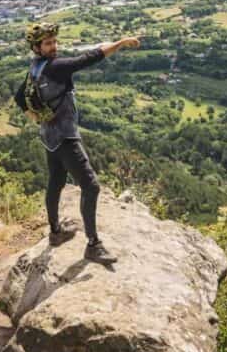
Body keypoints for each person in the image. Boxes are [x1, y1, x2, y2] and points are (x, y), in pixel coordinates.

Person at [24, 21, 140, 264]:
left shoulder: (35, 67)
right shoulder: (55, 67)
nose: (53, 46)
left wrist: (35, 116)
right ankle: (93, 245)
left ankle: (56, 232)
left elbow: (19, 96)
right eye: (48, 43)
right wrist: (120, 44)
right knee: (91, 186)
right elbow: (88, 58)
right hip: (65, 137)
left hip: (49, 136)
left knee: (56, 181)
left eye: (54, 41)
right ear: (37, 47)